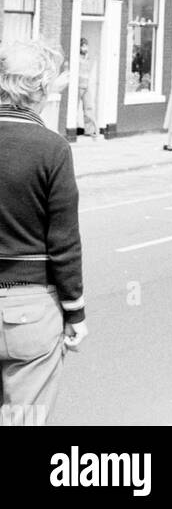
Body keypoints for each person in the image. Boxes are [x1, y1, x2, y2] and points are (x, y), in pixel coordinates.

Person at [0, 39, 87, 425]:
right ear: (40, 90)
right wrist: (76, 312)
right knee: (24, 418)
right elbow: (64, 241)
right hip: (30, 309)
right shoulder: (51, 148)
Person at [78, 37, 98, 139]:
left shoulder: (87, 57)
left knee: (88, 107)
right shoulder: (77, 57)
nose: (86, 48)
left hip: (86, 85)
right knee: (75, 107)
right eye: (84, 46)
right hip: (78, 85)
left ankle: (90, 130)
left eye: (86, 46)